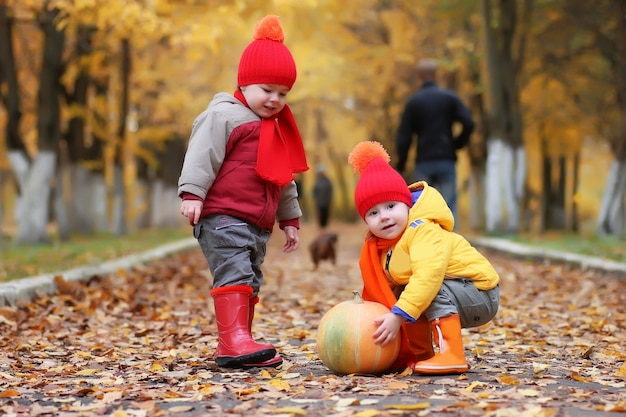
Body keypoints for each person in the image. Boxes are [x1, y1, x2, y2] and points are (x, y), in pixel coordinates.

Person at [177, 15, 309, 370]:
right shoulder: (224, 116)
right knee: (234, 271)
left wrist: (290, 219)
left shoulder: (273, 128)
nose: (274, 99)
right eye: (267, 90)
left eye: (282, 94)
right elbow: (202, 154)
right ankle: (233, 342)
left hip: (256, 223)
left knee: (249, 276)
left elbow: (283, 178)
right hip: (222, 215)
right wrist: (192, 193)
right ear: (245, 83)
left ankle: (239, 342)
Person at [348, 141, 499, 375]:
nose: (384, 217)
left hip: (479, 293)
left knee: (423, 289)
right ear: (366, 221)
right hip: (455, 293)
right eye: (373, 213)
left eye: (391, 206)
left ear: (407, 204)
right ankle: (423, 356)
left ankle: (452, 354)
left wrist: (398, 315)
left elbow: (428, 276)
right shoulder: (384, 247)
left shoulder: (423, 229)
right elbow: (385, 293)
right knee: (402, 294)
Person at [395, 58, 475, 219]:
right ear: (436, 76)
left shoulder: (413, 103)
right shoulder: (449, 98)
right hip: (446, 160)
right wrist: (456, 144)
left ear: (419, 78)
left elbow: (404, 137)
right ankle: (449, 242)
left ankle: (425, 241)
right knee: (448, 207)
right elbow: (469, 123)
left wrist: (401, 165)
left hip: (423, 162)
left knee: (422, 207)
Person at [312, 164, 333, 229]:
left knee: (326, 212)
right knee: (320, 212)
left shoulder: (327, 180)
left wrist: (330, 197)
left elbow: (330, 189)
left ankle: (325, 224)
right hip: (319, 200)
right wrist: (315, 196)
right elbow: (314, 190)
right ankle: (321, 225)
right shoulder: (317, 181)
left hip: (326, 199)